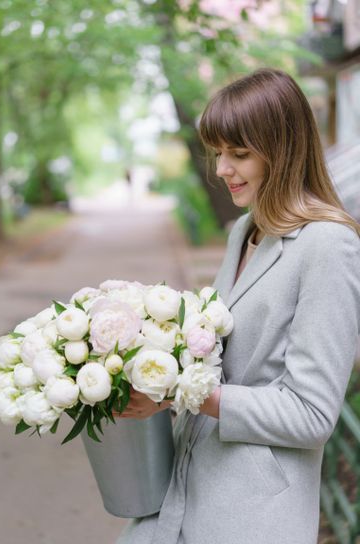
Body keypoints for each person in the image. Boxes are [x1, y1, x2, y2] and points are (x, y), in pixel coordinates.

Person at [115, 68, 360, 544]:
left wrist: (181, 389)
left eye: (239, 154)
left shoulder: (328, 245)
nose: (222, 169)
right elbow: (216, 363)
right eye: (218, 153)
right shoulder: (243, 231)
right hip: (185, 488)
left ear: (284, 150)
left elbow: (311, 415)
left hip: (252, 515)